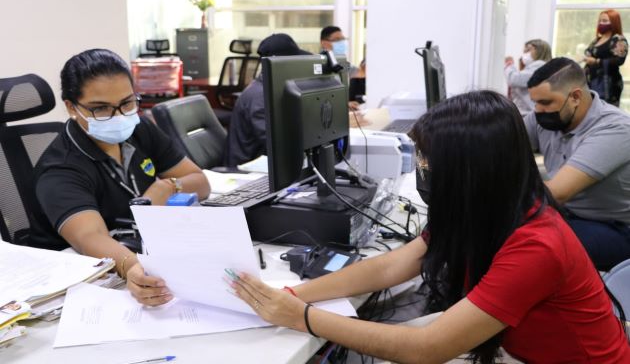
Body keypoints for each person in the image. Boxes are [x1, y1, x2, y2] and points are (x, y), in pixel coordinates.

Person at [228, 91, 629, 363]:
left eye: (427, 162)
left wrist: (301, 316)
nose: (422, 171)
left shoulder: (537, 245)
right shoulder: (489, 210)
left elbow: (427, 348)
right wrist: (290, 295)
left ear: (468, 172)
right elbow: (390, 266)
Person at [30, 49, 210, 306]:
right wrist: (131, 267)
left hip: (145, 248)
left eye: (127, 103)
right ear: (71, 107)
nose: (118, 116)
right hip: (75, 288)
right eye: (101, 108)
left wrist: (169, 187)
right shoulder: (60, 168)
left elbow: (200, 182)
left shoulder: (138, 128)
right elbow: (90, 237)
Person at [526, 57, 630, 271]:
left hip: (615, 228)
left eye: (545, 103)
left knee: (531, 244)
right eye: (535, 103)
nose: (537, 110)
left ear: (575, 97)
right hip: (567, 214)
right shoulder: (549, 116)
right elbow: (499, 141)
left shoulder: (615, 129)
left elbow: (557, 193)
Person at [224, 33, 311, 167]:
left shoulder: (273, 89)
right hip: (249, 169)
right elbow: (277, 144)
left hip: (266, 164)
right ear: (281, 64)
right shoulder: (261, 97)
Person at [583, 9, 628, 106]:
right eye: (600, 21)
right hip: (591, 82)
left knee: (605, 113)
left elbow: (619, 60)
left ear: (614, 22)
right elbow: (588, 51)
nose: (601, 23)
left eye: (605, 21)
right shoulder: (597, 39)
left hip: (608, 86)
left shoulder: (618, 39)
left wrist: (597, 61)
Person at [504, 39, 552, 116]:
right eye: (524, 51)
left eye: (528, 50)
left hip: (528, 113)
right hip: (526, 112)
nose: (525, 54)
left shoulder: (539, 66)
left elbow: (513, 79)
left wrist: (509, 64)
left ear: (540, 50)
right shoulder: (534, 67)